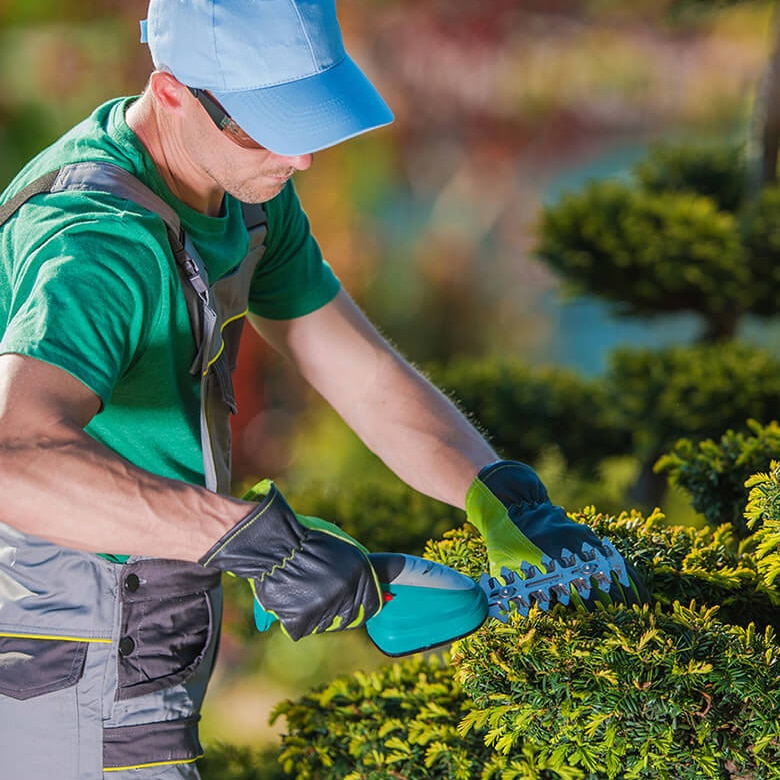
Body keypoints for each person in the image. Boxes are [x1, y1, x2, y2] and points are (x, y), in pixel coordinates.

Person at [0, 1, 645, 778]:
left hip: (150, 611)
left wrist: (499, 493)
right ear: (172, 94)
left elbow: (360, 371)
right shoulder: (98, 247)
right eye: (266, 123)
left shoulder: (242, 192)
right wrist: (263, 544)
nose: (299, 157)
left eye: (305, 117)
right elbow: (15, 461)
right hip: (59, 643)